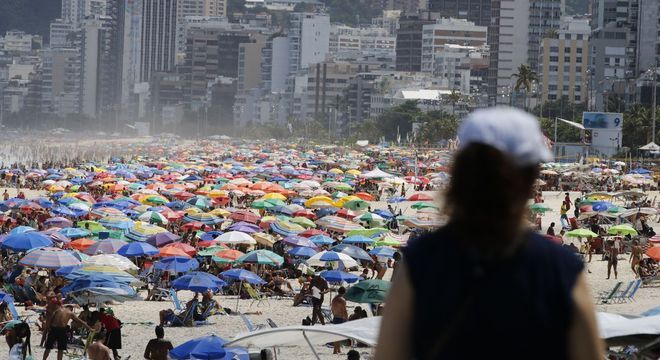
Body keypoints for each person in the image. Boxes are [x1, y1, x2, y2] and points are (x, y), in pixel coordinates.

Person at [375, 108, 602, 360]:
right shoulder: (559, 268)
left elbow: (389, 353)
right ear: (530, 179)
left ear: (460, 174)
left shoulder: (421, 261)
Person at [331, 287, 349, 354]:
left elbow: (332, 309)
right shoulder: (342, 300)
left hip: (335, 317)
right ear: (344, 292)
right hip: (340, 318)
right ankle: (335, 350)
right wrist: (347, 319)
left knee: (336, 334)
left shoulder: (334, 299)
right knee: (338, 335)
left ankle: (338, 350)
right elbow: (344, 311)